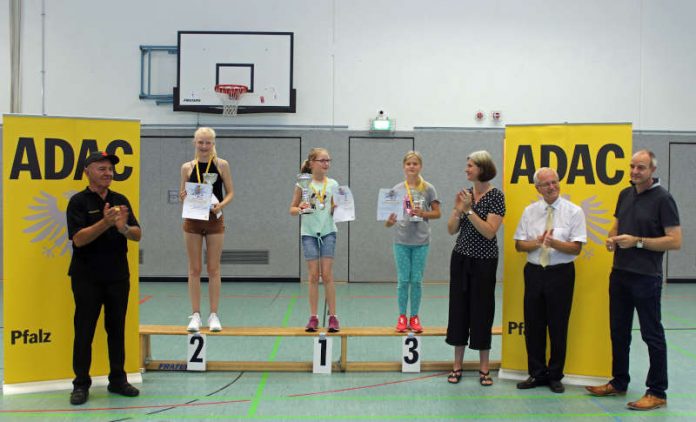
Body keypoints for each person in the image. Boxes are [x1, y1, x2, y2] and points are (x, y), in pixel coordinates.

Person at [586, 150, 681, 411]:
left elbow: (675, 240)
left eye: (641, 167)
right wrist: (611, 238)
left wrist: (638, 242)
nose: (635, 171)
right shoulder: (625, 194)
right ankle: (619, 381)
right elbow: (616, 225)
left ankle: (657, 391)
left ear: (651, 170)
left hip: (646, 277)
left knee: (652, 334)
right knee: (618, 332)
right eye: (632, 167)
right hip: (620, 274)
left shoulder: (664, 199)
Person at [66, 151, 142, 405]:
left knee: (116, 329)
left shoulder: (120, 199)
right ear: (88, 171)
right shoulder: (77, 202)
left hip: (118, 276)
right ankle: (80, 384)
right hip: (86, 277)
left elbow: (137, 234)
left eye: (110, 169)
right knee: (84, 330)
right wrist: (105, 223)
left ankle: (118, 379)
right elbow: (78, 239)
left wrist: (122, 227)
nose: (108, 173)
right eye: (102, 168)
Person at [513, 167, 586, 394]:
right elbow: (519, 245)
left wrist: (553, 243)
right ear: (537, 188)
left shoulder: (574, 212)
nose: (552, 187)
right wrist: (538, 242)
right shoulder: (529, 211)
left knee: (558, 326)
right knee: (533, 326)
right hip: (534, 272)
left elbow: (576, 248)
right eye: (546, 184)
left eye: (555, 182)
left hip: (561, 274)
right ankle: (536, 373)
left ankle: (555, 375)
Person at [445, 151, 505, 386]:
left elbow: (489, 231)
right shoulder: (465, 194)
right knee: (458, 310)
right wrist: (459, 209)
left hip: (484, 262)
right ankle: (456, 365)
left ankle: (484, 369)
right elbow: (451, 229)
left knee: (482, 311)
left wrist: (469, 211)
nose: (466, 169)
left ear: (482, 168)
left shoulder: (496, 196)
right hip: (461, 259)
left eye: (470, 166)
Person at [180, 127, 235, 332]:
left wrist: (221, 205)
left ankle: (214, 314)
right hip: (192, 221)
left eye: (208, 142)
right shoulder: (187, 167)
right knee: (194, 269)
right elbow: (182, 192)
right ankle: (195, 315)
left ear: (213, 143)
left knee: (213, 269)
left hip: (214, 220)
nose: (204, 146)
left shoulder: (221, 165)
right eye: (201, 142)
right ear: (194, 142)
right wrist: (185, 198)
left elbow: (230, 192)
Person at [385, 151, 441, 333]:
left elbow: (437, 213)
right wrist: (390, 221)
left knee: (416, 280)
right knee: (403, 280)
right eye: (408, 163)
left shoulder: (429, 188)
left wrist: (423, 213)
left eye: (415, 163)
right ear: (404, 166)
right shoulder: (397, 189)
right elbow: (388, 221)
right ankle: (402, 316)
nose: (412, 166)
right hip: (401, 241)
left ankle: (414, 317)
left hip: (421, 241)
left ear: (420, 166)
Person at [289, 147, 341, 332]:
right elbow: (292, 210)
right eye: (322, 160)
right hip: (309, 233)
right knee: (312, 276)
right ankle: (313, 317)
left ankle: (333, 317)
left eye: (328, 160)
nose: (326, 164)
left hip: (328, 232)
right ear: (312, 163)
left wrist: (337, 208)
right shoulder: (302, 184)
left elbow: (337, 209)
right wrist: (301, 208)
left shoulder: (333, 184)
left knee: (327, 275)